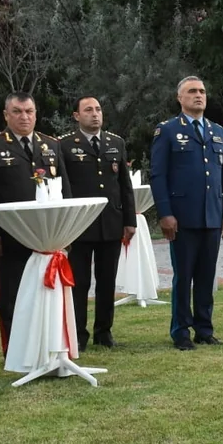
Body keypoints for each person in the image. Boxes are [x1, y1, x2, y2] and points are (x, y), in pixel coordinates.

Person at [0, 92, 69, 352]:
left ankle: (47, 345)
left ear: (36, 114)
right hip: (11, 236)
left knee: (46, 291)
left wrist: (67, 231)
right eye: (17, 111)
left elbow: (65, 191)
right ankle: (15, 351)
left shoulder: (51, 145)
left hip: (48, 236)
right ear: (6, 115)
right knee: (12, 294)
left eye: (29, 111)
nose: (24, 117)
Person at [150, 76, 223, 350]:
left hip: (212, 215)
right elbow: (158, 174)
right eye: (192, 91)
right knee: (183, 275)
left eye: (202, 91)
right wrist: (165, 213)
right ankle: (181, 332)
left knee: (206, 276)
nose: (198, 95)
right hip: (182, 216)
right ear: (180, 98)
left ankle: (204, 328)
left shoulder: (217, 131)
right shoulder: (167, 131)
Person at [58, 96, 136, 350]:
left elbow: (125, 185)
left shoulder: (116, 142)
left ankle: (104, 331)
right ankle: (78, 334)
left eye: (98, 109)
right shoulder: (66, 145)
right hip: (80, 225)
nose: (95, 114)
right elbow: (64, 188)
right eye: (88, 110)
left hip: (111, 223)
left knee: (107, 281)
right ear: (76, 116)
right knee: (79, 283)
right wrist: (67, 224)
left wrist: (129, 220)